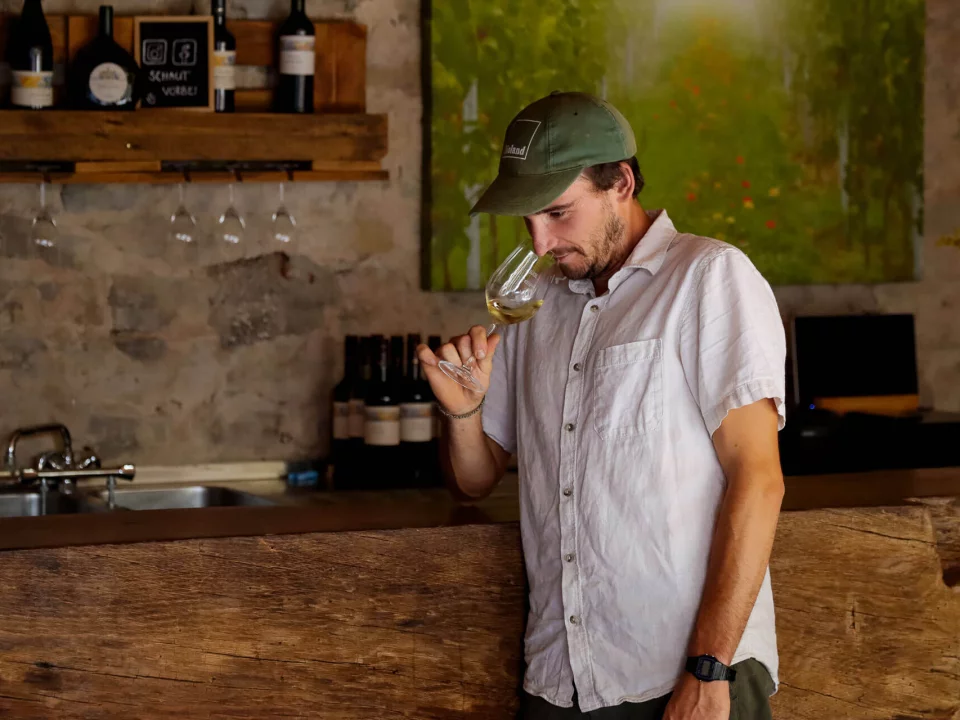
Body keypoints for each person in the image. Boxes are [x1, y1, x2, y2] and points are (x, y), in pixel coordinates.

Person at [417, 91, 786, 719]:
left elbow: (759, 479)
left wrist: (709, 667)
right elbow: (474, 483)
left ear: (621, 183)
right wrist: (463, 413)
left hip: (683, 673)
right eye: (528, 219)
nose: (541, 241)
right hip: (559, 678)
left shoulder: (709, 277)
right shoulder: (536, 308)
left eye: (558, 213)